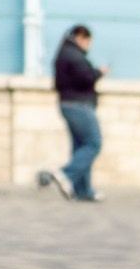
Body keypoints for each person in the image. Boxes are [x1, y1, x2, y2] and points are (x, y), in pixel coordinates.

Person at [38, 24, 104, 201]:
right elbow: (86, 77)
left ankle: (83, 191)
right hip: (79, 105)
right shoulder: (74, 55)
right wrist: (99, 72)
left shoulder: (63, 53)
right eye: (88, 41)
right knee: (93, 143)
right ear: (81, 38)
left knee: (81, 147)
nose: (88, 46)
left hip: (68, 104)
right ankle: (65, 175)